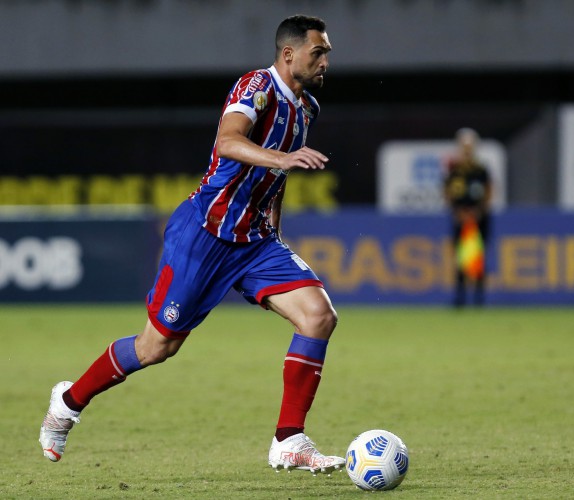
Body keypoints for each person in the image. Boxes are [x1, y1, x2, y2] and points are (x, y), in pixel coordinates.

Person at [39, 14, 345, 475]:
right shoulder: (256, 87)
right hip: (205, 234)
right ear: (288, 54)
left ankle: (289, 440)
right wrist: (283, 158)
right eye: (317, 52)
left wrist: (275, 226)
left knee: (319, 316)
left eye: (326, 52)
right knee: (156, 347)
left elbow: (278, 176)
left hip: (255, 241)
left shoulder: (308, 110)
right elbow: (228, 141)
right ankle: (67, 402)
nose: (325, 61)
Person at [444, 127, 492, 307]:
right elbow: (447, 193)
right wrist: (458, 213)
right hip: (460, 218)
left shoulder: (480, 169)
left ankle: (479, 299)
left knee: (477, 258)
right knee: (460, 259)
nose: (467, 150)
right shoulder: (453, 170)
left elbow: (488, 192)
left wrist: (478, 212)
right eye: (464, 146)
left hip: (479, 218)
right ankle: (460, 299)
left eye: (470, 146)